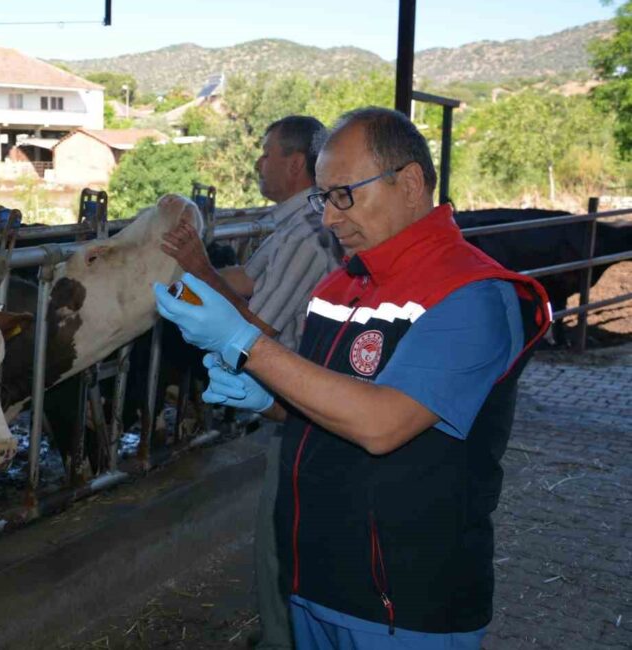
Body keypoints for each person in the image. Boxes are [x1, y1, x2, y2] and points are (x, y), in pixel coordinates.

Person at [154, 107, 551, 649]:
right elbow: (323, 400)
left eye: (344, 194)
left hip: (402, 603)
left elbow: (381, 422)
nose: (329, 218)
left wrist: (248, 345)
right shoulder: (343, 286)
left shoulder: (471, 294)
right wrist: (265, 397)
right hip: (317, 577)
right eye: (322, 198)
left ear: (410, 184)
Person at [161, 114, 340, 650]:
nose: (259, 163)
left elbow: (259, 324)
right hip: (289, 396)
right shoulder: (290, 222)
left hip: (297, 400)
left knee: (279, 536)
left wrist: (196, 266)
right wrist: (186, 268)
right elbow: (246, 280)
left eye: (266, 154)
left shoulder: (311, 230)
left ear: (293, 162)